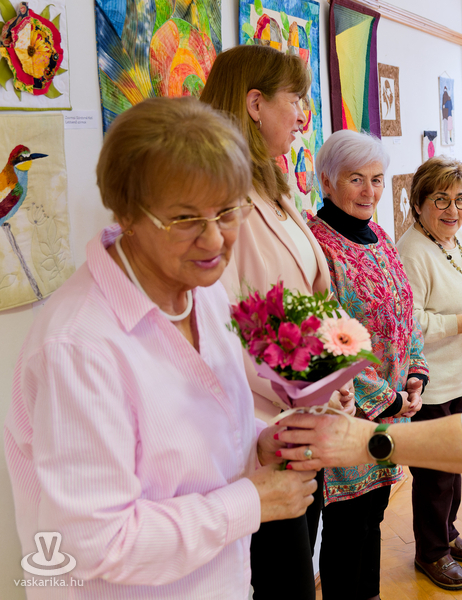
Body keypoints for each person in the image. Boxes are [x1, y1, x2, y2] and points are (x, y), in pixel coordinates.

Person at [3, 97, 318, 600]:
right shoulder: (79, 346)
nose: (214, 240)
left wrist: (259, 443)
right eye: (186, 219)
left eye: (228, 211)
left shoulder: (202, 292)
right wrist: (249, 502)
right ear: (127, 213)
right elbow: (97, 542)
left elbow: (187, 445)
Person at [200, 44, 355, 600]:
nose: (302, 116)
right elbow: (224, 326)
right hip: (263, 430)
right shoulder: (221, 200)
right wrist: (314, 384)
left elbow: (310, 297)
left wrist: (336, 370)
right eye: (296, 100)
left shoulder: (274, 188)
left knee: (297, 567)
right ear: (255, 104)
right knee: (282, 580)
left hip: (302, 420)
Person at [270, 308, 462, 598]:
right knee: (342, 533)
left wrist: (369, 439)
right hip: (323, 425)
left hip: (371, 419)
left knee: (370, 521)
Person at [307, 129, 429, 600]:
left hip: (395, 407)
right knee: (346, 525)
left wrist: (414, 375)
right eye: (355, 179)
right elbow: (329, 336)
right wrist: (386, 399)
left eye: (377, 179)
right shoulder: (318, 245)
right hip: (351, 413)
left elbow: (405, 309)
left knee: (374, 515)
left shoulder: (379, 234)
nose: (370, 191)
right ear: (327, 181)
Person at [396, 155, 462, 590]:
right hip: (430, 382)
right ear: (419, 204)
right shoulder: (411, 251)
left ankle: (447, 534)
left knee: (455, 467)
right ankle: (430, 552)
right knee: (435, 476)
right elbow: (410, 324)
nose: (453, 209)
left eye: (461, 199)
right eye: (441, 200)